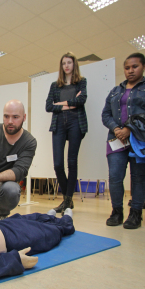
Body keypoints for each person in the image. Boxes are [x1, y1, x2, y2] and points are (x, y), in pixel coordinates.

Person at [102, 53, 145, 229]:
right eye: (127, 67)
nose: (130, 70)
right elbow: (105, 114)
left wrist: (130, 129)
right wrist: (117, 129)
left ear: (143, 66)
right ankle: (117, 212)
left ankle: (136, 213)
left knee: (138, 177)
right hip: (116, 140)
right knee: (114, 177)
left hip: (140, 141)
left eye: (135, 67)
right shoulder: (115, 91)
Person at [46, 52, 88, 214]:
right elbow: (49, 106)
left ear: (74, 64)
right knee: (58, 164)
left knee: (72, 162)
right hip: (59, 125)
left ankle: (68, 200)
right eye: (64, 63)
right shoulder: (55, 85)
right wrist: (70, 104)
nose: (66, 66)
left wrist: (61, 103)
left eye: (69, 62)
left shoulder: (81, 82)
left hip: (76, 123)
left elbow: (82, 100)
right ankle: (67, 199)